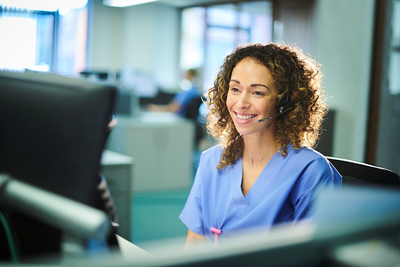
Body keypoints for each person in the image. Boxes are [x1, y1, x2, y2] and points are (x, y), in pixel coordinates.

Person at [179, 43, 342, 248]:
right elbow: (194, 241)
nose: (241, 103)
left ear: (285, 102)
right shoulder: (211, 161)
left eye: (257, 93)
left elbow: (310, 257)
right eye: (235, 89)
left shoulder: (311, 171)